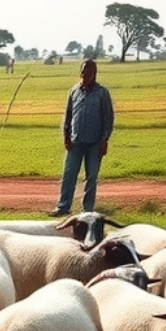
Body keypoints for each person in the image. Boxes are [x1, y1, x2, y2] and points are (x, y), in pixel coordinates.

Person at [54, 59, 114, 216]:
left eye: (88, 73)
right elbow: (68, 115)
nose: (85, 76)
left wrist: (104, 140)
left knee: (91, 177)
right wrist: (65, 135)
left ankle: (87, 210)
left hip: (95, 142)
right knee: (69, 174)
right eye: (83, 72)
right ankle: (63, 207)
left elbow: (108, 118)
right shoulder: (74, 91)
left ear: (94, 74)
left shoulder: (102, 93)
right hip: (75, 141)